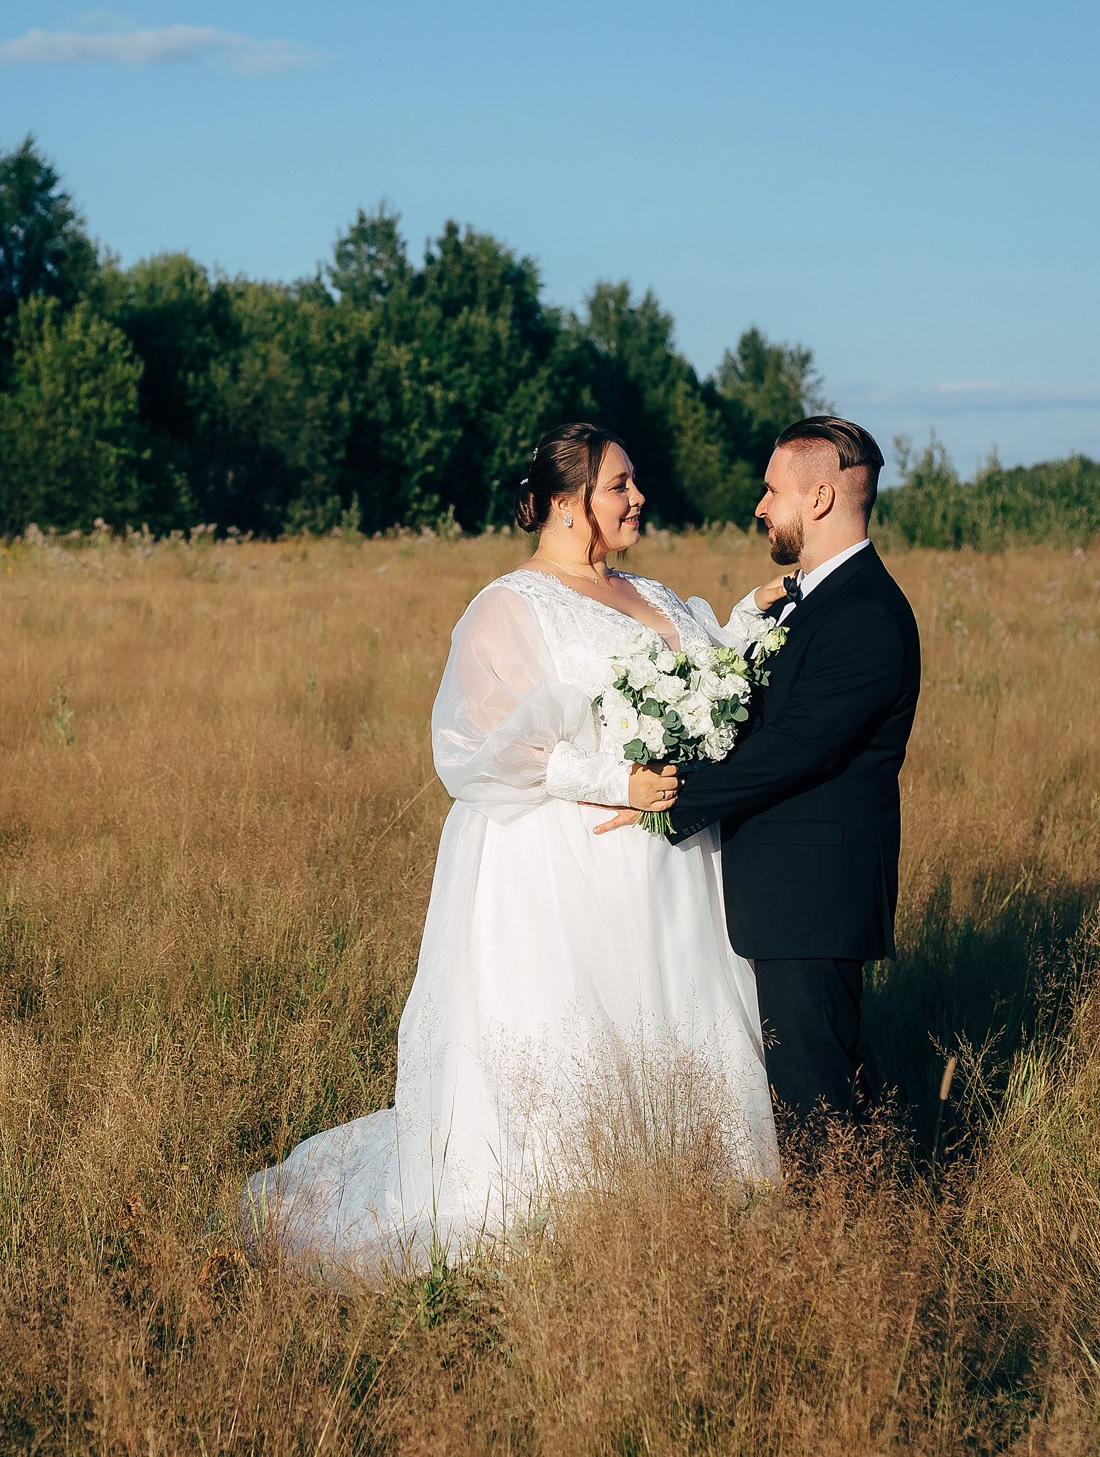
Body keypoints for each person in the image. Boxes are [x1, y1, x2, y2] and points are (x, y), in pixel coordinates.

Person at [242, 422, 780, 1277]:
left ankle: (690, 1199)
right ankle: (571, 1208)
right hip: (565, 862)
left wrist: (761, 616)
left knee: (675, 1016)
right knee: (580, 1031)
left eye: (633, 483)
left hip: (669, 867)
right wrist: (616, 778)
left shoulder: (655, 594)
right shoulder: (511, 605)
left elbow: (708, 671)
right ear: (567, 504)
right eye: (619, 486)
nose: (638, 497)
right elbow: (474, 747)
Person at [599, 416, 920, 1156]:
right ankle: (848, 1230)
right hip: (792, 894)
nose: (758, 506)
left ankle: (846, 1244)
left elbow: (790, 750)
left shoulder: (866, 613)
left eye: (771, 490)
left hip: (815, 894)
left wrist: (671, 799)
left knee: (821, 1104)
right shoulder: (811, 601)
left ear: (819, 496)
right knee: (814, 1090)